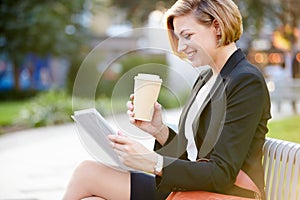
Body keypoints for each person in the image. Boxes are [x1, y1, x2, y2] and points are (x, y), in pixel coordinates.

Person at [62, 0, 271, 199]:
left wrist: (153, 162)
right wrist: (159, 130)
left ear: (217, 27)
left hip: (224, 194)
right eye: (179, 38)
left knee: (87, 173)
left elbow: (221, 174)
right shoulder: (207, 78)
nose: (180, 47)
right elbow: (193, 158)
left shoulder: (245, 81)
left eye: (187, 35)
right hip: (196, 189)